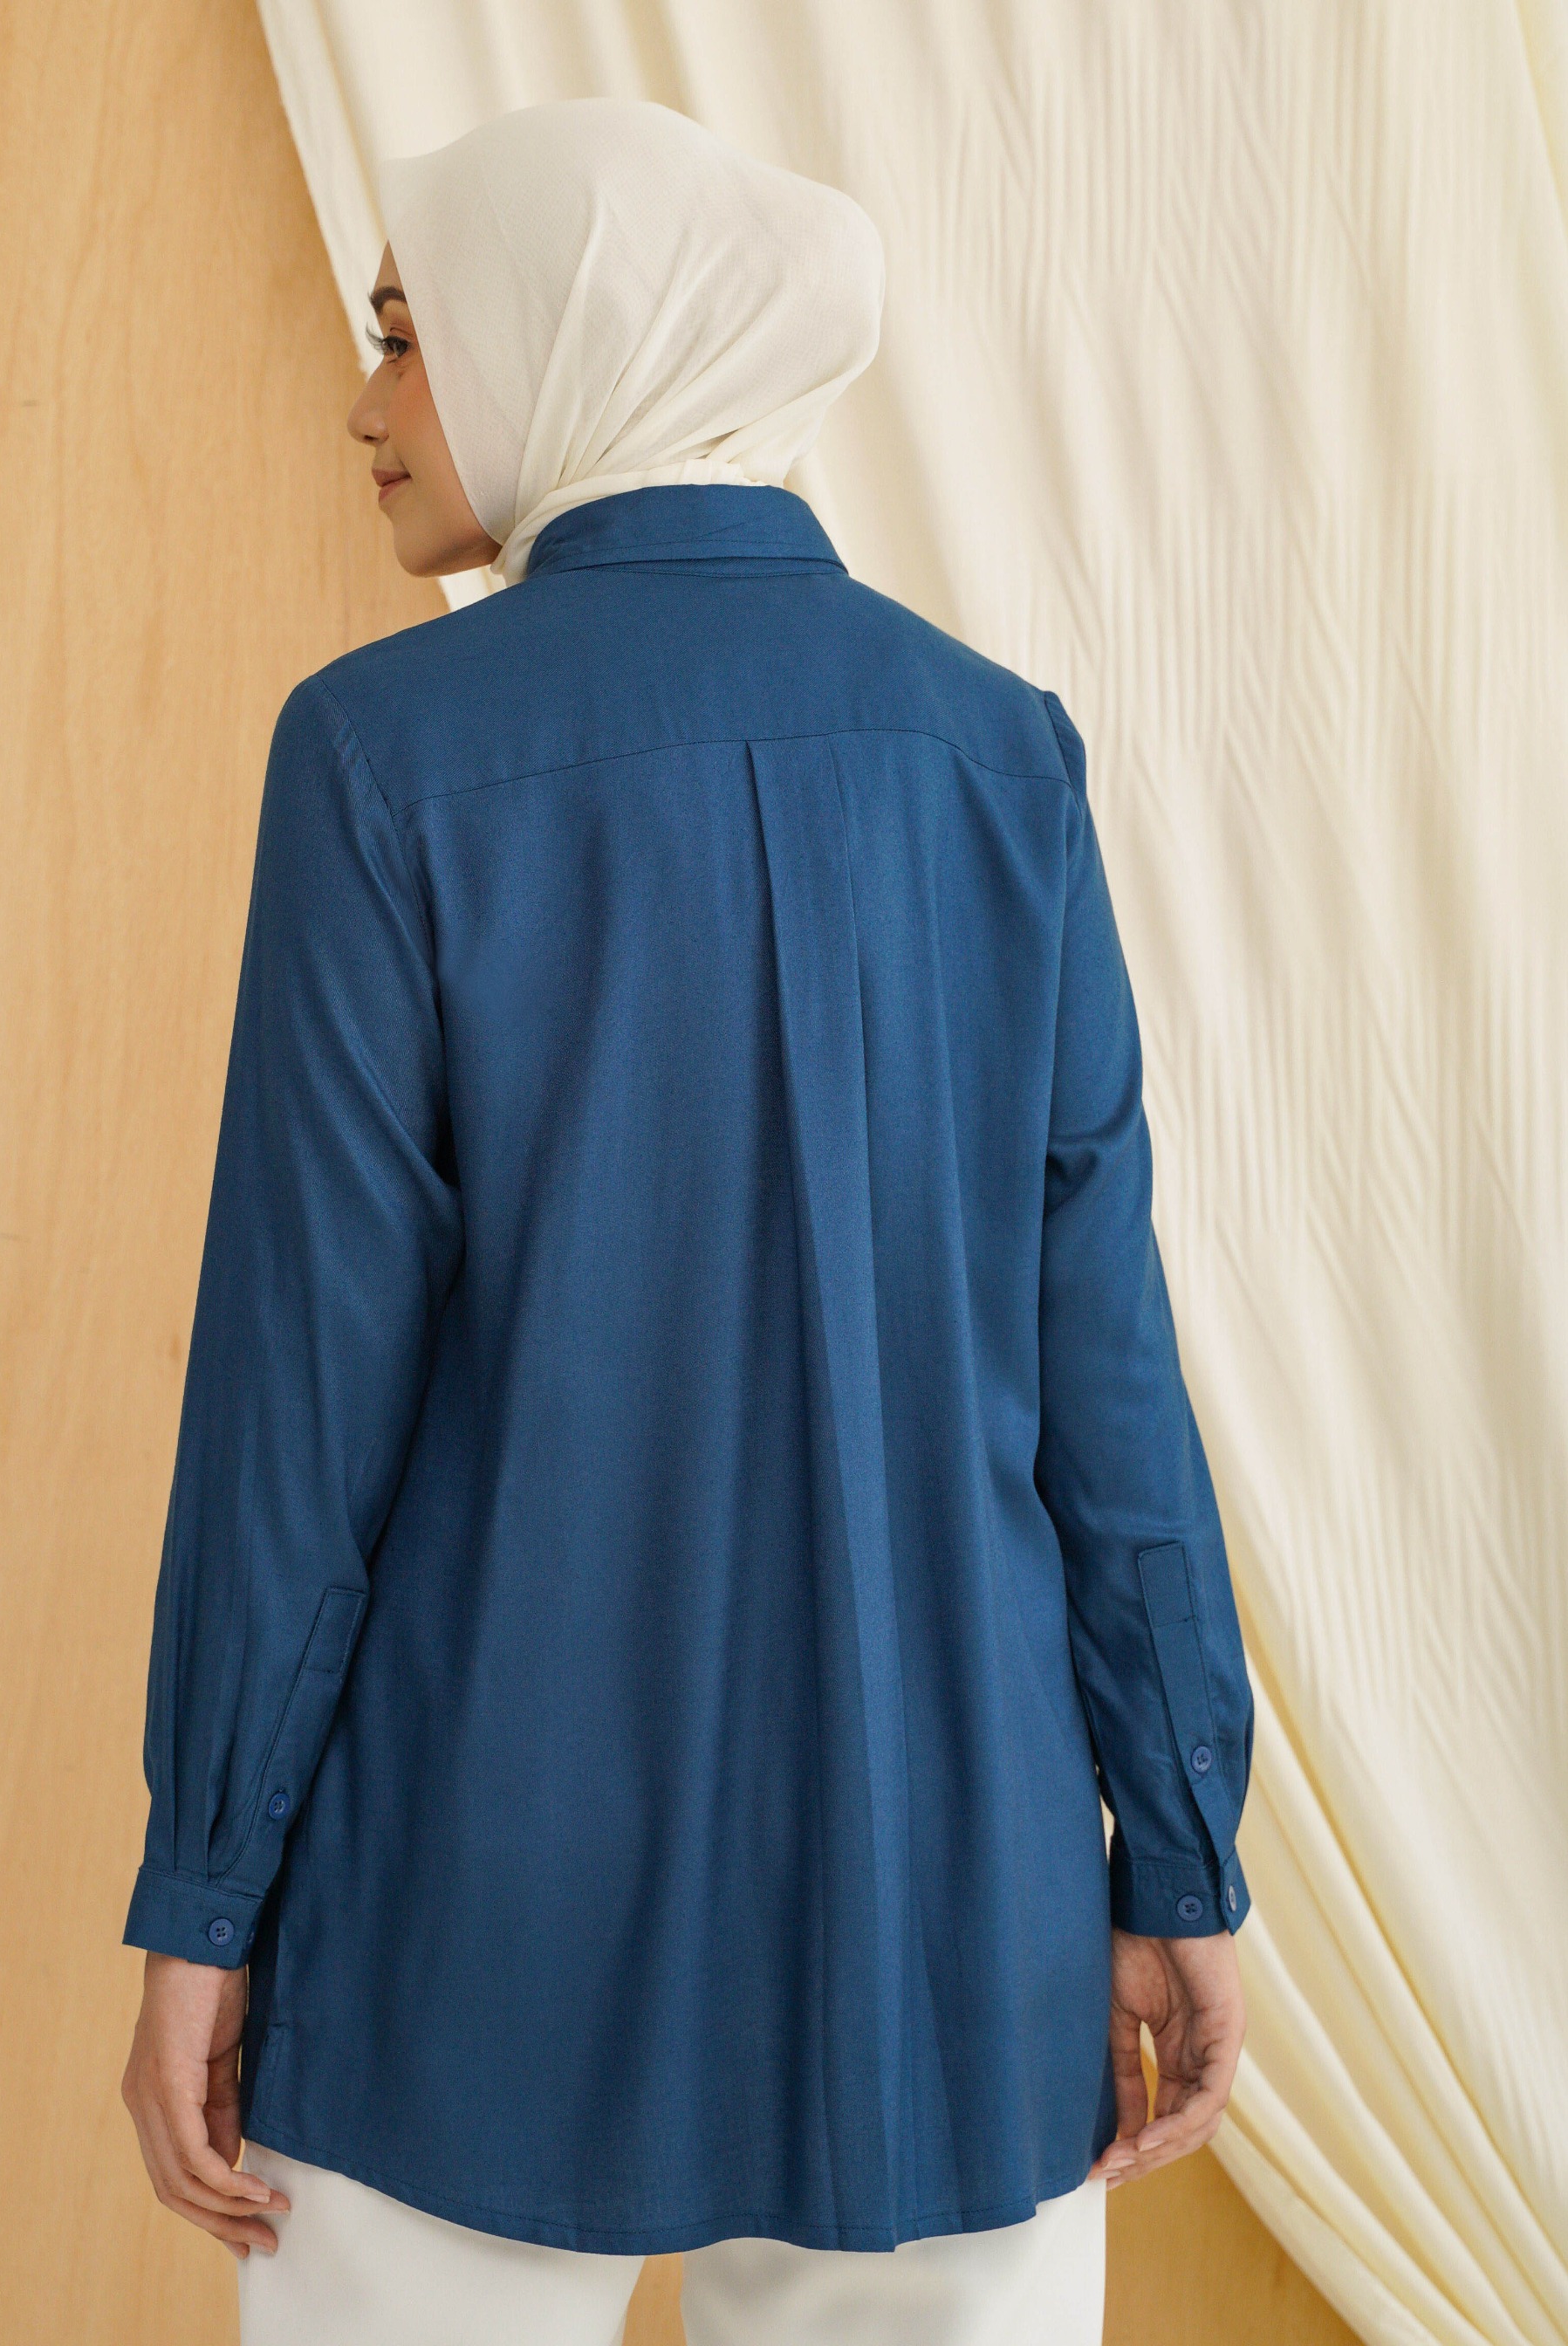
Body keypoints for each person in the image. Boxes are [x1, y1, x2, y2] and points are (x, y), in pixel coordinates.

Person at [119, 97, 1254, 2346]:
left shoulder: (378, 756)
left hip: (474, 1902)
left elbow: (298, 1402)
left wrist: (205, 1895)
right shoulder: (1000, 757)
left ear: (567, 335)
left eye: (408, 333)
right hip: (952, 1899)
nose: (365, 401)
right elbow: (1106, 1371)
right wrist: (1183, 1839)